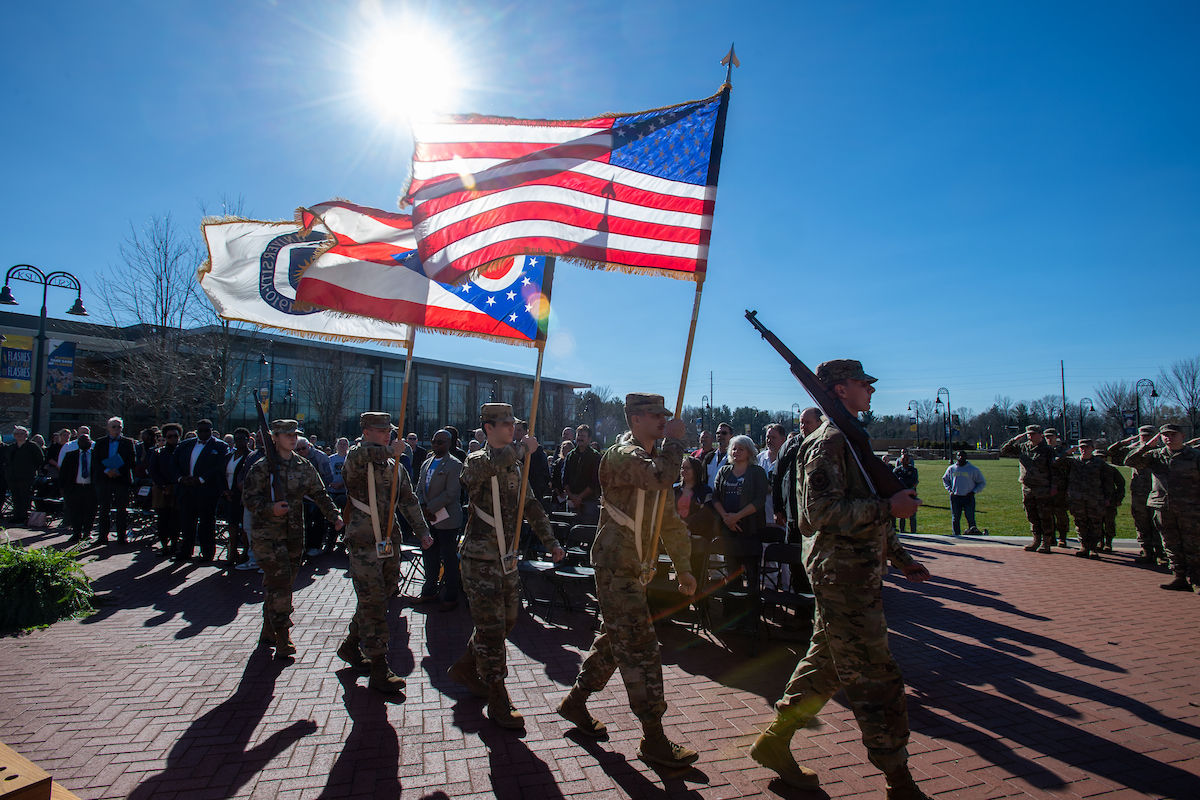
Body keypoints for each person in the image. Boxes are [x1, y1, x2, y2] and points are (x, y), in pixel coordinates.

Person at [751, 359, 931, 799]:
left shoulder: (852, 441)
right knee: (876, 678)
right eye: (861, 383)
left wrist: (902, 555)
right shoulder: (829, 443)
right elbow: (820, 513)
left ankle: (774, 742)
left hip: (856, 575)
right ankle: (898, 779)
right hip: (842, 578)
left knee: (824, 667)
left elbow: (869, 503)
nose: (870, 389)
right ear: (837, 390)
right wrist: (891, 510)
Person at [558, 393, 699, 768]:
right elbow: (661, 476)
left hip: (637, 566)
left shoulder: (654, 458)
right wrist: (676, 443)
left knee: (613, 641)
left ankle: (575, 703)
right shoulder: (622, 456)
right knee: (640, 646)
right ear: (635, 419)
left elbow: (669, 519)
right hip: (616, 564)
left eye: (665, 416)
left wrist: (683, 566)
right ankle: (653, 737)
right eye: (655, 415)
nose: (663, 421)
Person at [448, 403, 565, 727]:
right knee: (493, 630)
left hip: (508, 560)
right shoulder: (476, 460)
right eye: (505, 423)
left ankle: (468, 665)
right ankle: (498, 698)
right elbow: (480, 471)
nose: (512, 427)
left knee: (507, 621)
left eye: (513, 422)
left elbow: (531, 505)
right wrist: (519, 450)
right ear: (488, 427)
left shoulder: (515, 466)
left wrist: (551, 541)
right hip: (481, 559)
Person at [335, 412, 431, 691]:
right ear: (366, 432)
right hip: (364, 541)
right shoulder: (356, 457)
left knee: (382, 595)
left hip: (389, 541)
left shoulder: (395, 466)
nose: (386, 434)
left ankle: (352, 645)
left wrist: (422, 531)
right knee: (374, 601)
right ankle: (379, 666)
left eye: (388, 430)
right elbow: (360, 457)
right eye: (379, 431)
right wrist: (391, 450)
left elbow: (408, 500)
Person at [242, 419, 344, 658]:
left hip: (295, 534)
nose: (292, 438)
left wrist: (334, 516)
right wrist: (271, 508)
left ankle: (269, 628)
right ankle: (282, 635)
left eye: (294, 434)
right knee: (280, 585)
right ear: (274, 438)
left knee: (281, 584)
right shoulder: (262, 467)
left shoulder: (303, 465)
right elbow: (248, 498)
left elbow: (319, 493)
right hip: (268, 535)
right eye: (286, 434)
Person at [1122, 424, 1200, 591]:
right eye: (1165, 435)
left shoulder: (1194, 456)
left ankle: (1196, 579)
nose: (1168, 437)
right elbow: (1130, 461)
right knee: (1170, 544)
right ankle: (1179, 577)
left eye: (1173, 434)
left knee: (1193, 544)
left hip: (1190, 508)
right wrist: (1146, 446)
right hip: (1163, 506)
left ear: (1183, 435)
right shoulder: (1155, 455)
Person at [712, 434, 770, 629]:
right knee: (733, 575)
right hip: (729, 531)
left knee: (752, 576)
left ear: (750, 452)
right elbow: (715, 497)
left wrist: (737, 516)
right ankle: (733, 615)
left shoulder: (757, 472)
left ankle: (751, 618)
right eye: (734, 449)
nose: (736, 452)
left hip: (750, 531)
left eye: (740, 449)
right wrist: (727, 518)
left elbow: (759, 500)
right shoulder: (724, 471)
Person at [415, 429, 464, 611]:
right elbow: (419, 486)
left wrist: (431, 507)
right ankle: (429, 591)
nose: (436, 445)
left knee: (449, 558)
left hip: (447, 519)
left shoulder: (454, 464)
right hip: (429, 517)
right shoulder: (426, 463)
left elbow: (451, 493)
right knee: (429, 554)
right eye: (434, 441)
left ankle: (451, 595)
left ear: (449, 444)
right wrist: (422, 506)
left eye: (440, 442)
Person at [170, 419, 229, 562]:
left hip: (206, 490)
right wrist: (180, 479)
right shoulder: (185, 445)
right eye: (200, 430)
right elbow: (173, 464)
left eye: (206, 431)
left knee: (206, 523)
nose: (203, 433)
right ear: (196, 431)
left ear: (211, 430)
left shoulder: (220, 446)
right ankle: (185, 551)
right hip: (186, 489)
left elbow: (219, 466)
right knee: (186, 522)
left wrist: (201, 479)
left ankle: (207, 553)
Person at [1000, 425, 1059, 553]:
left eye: (1033, 434)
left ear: (1040, 435)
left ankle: (1046, 542)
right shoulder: (1023, 447)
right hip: (1027, 487)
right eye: (1028, 434)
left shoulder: (1047, 450)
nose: (1030, 436)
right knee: (1031, 515)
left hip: (1043, 488)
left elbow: (1054, 469)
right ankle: (1036, 540)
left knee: (1045, 515)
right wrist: (1015, 439)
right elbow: (1005, 450)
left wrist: (1054, 486)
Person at [1108, 426, 1161, 564]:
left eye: (1149, 436)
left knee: (1159, 524)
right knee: (1141, 523)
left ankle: (1161, 553)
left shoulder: (1161, 451)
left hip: (1158, 493)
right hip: (1140, 493)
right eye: (1143, 435)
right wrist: (1123, 443)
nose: (1145, 438)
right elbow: (1111, 455)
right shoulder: (1133, 451)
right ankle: (1146, 551)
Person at [1052, 440, 1113, 559]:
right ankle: (1084, 546)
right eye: (1081, 447)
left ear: (1092, 448)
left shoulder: (1100, 464)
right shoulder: (1073, 462)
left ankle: (1094, 548)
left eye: (1086, 447)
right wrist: (1066, 453)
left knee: (1095, 523)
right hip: (1077, 499)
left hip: (1095, 499)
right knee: (1080, 523)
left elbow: (1108, 482)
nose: (1084, 450)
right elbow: (1055, 463)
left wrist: (1108, 497)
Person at [773, 407, 823, 543]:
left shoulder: (826, 445)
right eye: (801, 422)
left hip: (819, 516)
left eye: (807, 423)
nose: (803, 426)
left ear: (820, 423)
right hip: (794, 514)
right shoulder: (790, 446)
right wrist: (778, 509)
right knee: (793, 555)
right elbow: (777, 478)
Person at [93, 417, 137, 545]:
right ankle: (102, 536)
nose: (117, 429)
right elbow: (95, 461)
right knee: (103, 509)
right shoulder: (100, 442)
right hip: (104, 479)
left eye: (119, 427)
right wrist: (107, 471)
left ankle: (121, 537)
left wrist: (118, 471)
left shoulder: (128, 442)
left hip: (121, 479)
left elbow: (131, 461)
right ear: (108, 428)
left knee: (121, 510)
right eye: (114, 427)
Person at [295, 436, 333, 557]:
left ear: (309, 446)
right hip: (301, 496)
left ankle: (316, 546)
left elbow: (328, 477)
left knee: (318, 520)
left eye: (303, 448)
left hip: (317, 494)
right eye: (298, 449)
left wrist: (314, 488)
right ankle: (304, 546)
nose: (301, 452)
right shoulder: (294, 457)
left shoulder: (320, 456)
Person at [220, 428, 252, 567]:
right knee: (231, 524)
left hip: (242, 497)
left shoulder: (250, 457)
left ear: (248, 440)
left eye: (242, 439)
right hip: (229, 496)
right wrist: (224, 491)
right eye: (236, 439)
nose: (239, 441)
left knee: (245, 527)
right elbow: (221, 474)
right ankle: (232, 552)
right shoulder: (228, 456)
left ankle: (245, 553)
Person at [149, 424, 182, 557]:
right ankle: (164, 545)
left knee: (175, 520)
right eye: (169, 436)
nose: (173, 439)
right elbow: (153, 471)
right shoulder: (158, 453)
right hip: (161, 490)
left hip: (177, 488)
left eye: (175, 436)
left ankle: (174, 544)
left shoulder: (182, 452)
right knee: (162, 519)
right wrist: (163, 486)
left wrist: (175, 484)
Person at [58, 432, 98, 543]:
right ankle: (76, 532)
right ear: (78, 443)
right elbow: (63, 473)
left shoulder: (96, 455)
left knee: (90, 511)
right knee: (75, 511)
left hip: (91, 488)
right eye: (82, 441)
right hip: (74, 487)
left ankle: (87, 532)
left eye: (87, 440)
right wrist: (61, 487)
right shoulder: (71, 455)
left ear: (91, 442)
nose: (85, 443)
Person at [4, 426, 44, 526]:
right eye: (17, 433)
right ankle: (16, 515)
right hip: (12, 476)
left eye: (21, 433)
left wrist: (31, 469)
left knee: (24, 496)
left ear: (26, 435)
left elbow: (39, 459)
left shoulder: (32, 446)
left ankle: (23, 517)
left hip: (26, 476)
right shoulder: (11, 447)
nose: (19, 435)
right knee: (15, 497)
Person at [942, 451, 986, 536]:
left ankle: (973, 534)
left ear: (966, 457)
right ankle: (956, 535)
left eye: (963, 455)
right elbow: (945, 479)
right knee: (955, 518)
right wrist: (950, 490)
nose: (961, 457)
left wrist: (974, 492)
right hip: (955, 497)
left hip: (968, 497)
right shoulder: (951, 469)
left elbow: (982, 482)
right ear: (956, 457)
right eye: (959, 455)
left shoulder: (973, 469)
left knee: (970, 518)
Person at [563, 424, 602, 521]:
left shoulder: (595, 456)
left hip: (589, 502)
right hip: (571, 501)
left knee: (586, 532)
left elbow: (595, 481)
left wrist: (580, 497)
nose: (580, 438)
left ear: (589, 439)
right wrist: (572, 496)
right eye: (578, 435)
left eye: (583, 436)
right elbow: (564, 478)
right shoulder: (570, 456)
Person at [675, 455, 716, 539]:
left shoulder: (705, 491)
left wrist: (687, 524)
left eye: (687, 468)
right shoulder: (674, 490)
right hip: (674, 530)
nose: (684, 471)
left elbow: (707, 514)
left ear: (696, 470)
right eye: (682, 468)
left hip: (697, 535)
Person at [758, 423, 787, 542]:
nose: (769, 441)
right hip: (761, 515)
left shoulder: (786, 459)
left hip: (780, 516)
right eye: (767, 437)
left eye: (773, 438)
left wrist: (772, 489)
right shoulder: (759, 459)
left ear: (783, 439)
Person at [1044, 428, 1072, 547]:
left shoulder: (1063, 451)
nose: (1049, 439)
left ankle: (1062, 537)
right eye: (1047, 437)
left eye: (1051, 436)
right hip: (1046, 486)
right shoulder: (1043, 451)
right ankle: (1050, 537)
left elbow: (1070, 471)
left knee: (1061, 513)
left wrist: (1069, 487)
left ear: (1056, 437)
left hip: (1061, 487)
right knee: (1047, 514)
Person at [1093, 449, 1125, 553]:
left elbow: (1121, 484)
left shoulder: (1111, 470)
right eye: (1097, 457)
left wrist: (1119, 498)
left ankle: (1108, 543)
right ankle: (1100, 542)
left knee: (1109, 523)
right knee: (1097, 523)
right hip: (1095, 501)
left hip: (1110, 501)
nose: (1100, 459)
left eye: (1102, 457)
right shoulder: (1091, 469)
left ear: (1106, 459)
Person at [515, 419, 551, 502]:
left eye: (519, 430)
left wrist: (539, 487)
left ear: (526, 432)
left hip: (532, 489)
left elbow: (544, 472)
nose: (516, 432)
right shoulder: (510, 449)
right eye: (515, 430)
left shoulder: (536, 450)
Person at [891, 449, 919, 532]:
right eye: (903, 459)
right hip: (901, 495)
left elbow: (913, 481)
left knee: (912, 515)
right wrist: (905, 481)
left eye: (907, 459)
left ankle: (913, 532)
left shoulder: (913, 470)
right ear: (900, 460)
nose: (905, 461)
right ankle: (902, 531)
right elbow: (895, 482)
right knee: (901, 515)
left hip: (911, 495)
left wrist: (902, 480)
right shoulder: (897, 470)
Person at [706, 423, 733, 488]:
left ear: (731, 437)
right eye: (718, 433)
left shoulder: (734, 458)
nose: (720, 435)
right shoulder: (709, 457)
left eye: (724, 433)